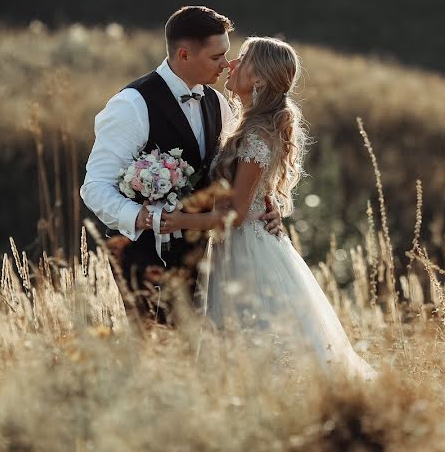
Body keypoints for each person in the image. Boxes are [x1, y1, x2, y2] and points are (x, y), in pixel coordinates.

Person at [160, 37, 377, 380]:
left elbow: (236, 214)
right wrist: (269, 202)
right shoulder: (244, 121)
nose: (231, 64)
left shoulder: (257, 133)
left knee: (258, 340)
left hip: (248, 249)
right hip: (241, 243)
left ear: (259, 79)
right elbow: (256, 190)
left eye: (242, 59)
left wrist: (176, 221)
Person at [80, 6, 282, 321]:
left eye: (227, 54)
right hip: (144, 256)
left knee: (193, 357)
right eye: (216, 57)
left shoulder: (217, 103)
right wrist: (144, 217)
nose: (227, 64)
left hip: (204, 257)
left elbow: (235, 171)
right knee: (156, 352)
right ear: (184, 54)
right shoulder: (131, 105)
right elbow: (95, 187)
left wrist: (266, 206)